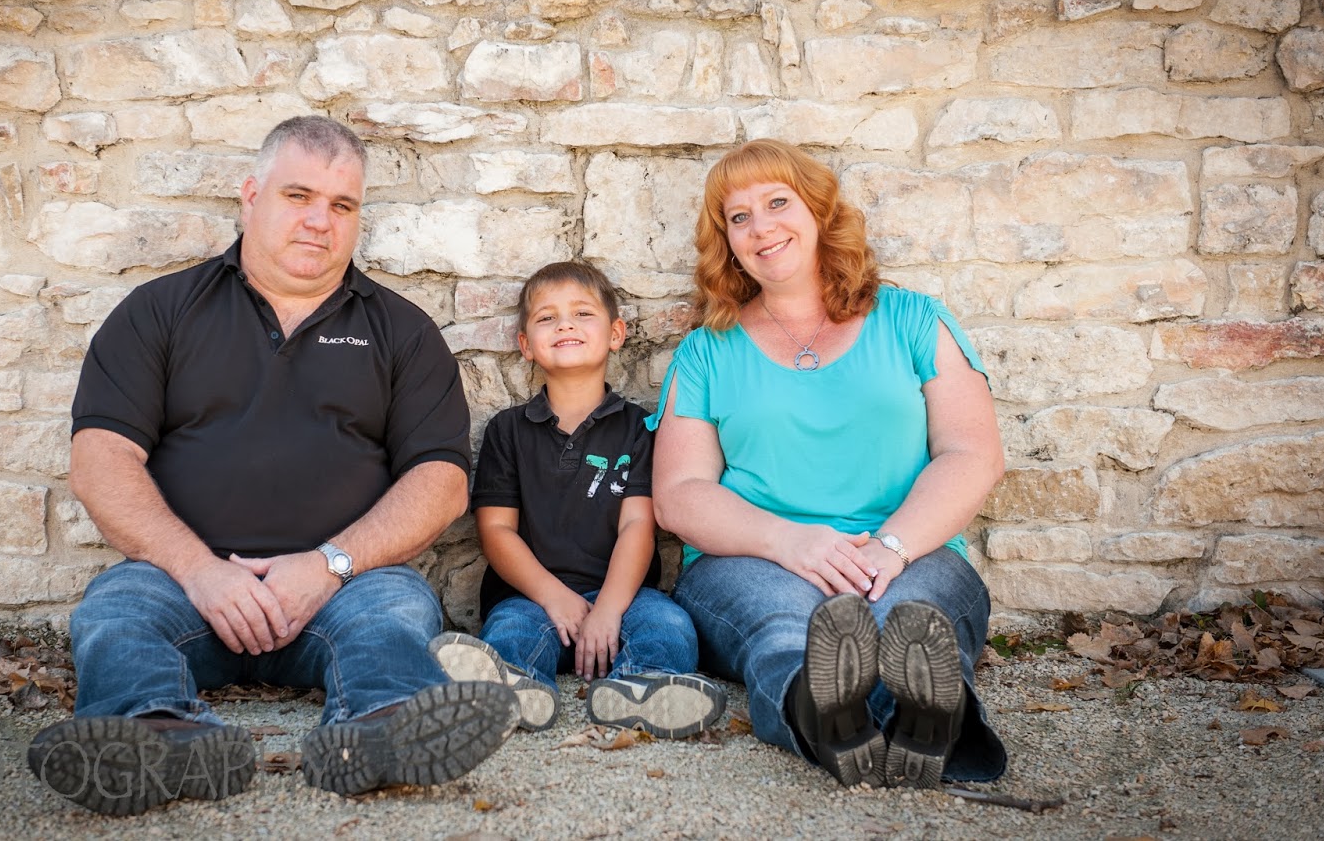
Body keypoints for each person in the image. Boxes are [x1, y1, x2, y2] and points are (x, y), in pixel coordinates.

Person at [26, 116, 516, 816]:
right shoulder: (160, 313)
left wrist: (327, 566)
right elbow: (101, 459)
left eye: (342, 206)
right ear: (250, 196)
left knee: (400, 612)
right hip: (182, 581)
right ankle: (158, 736)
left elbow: (439, 483)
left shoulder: (401, 332)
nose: (320, 221)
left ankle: (378, 732)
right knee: (115, 612)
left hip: (345, 587)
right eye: (298, 196)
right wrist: (201, 571)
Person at [649, 139, 1008, 788]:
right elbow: (679, 493)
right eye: (739, 217)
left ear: (818, 212)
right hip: (751, 559)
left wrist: (891, 549)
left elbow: (973, 453)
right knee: (791, 635)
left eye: (777, 203)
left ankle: (934, 721)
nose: (761, 227)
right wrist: (789, 541)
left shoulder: (912, 320)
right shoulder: (707, 353)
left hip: (910, 547)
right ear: (726, 241)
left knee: (914, 616)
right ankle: (827, 723)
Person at [429, 262, 726, 739]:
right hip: (531, 597)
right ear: (525, 345)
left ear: (615, 334)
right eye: (546, 318)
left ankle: (640, 690)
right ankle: (511, 692)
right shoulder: (508, 430)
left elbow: (637, 527)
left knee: (669, 626)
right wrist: (555, 597)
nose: (564, 324)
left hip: (625, 597)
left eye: (582, 313)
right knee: (509, 634)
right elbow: (496, 531)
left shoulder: (639, 428)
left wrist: (608, 608)